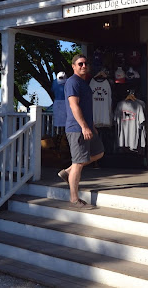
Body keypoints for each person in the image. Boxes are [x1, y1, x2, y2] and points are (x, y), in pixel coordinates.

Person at [58, 54, 104, 208]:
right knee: (78, 163)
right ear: (73, 66)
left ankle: (67, 172)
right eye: (80, 64)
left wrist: (91, 126)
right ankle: (74, 199)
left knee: (98, 152)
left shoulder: (84, 83)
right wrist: (84, 126)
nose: (84, 66)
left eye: (85, 63)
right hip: (77, 129)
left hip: (87, 127)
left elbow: (85, 107)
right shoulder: (72, 82)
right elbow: (74, 106)